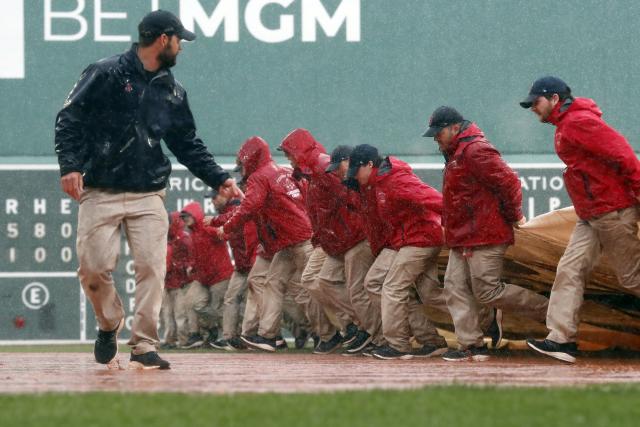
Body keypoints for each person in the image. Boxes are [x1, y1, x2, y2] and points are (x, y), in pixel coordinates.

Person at [54, 10, 238, 369]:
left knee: (153, 269)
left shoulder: (171, 90)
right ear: (162, 38)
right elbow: (69, 118)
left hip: (148, 192)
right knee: (92, 269)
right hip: (100, 189)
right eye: (178, 40)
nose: (181, 47)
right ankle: (109, 324)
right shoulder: (105, 72)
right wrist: (70, 166)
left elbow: (186, 143)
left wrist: (219, 178)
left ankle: (144, 345)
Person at [520, 76, 640, 363]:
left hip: (612, 211)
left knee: (632, 278)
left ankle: (561, 338)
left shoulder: (578, 122)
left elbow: (624, 155)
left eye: (536, 102)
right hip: (592, 214)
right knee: (569, 270)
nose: (533, 108)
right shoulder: (566, 124)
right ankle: (561, 340)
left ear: (554, 99)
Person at [423, 106, 549, 362]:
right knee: (453, 287)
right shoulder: (456, 152)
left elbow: (509, 182)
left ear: (454, 128)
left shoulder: (475, 150)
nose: (435, 137)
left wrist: (514, 216)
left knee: (487, 292)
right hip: (464, 236)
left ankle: (554, 312)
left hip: (485, 234)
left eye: (438, 132)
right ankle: (471, 344)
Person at [346, 144, 449, 360]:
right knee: (384, 285)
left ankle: (399, 344)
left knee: (393, 288)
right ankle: (430, 340)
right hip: (406, 240)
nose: (354, 176)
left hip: (420, 239)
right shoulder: (376, 183)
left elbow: (433, 199)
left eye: (356, 170)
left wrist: (463, 219)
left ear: (369, 165)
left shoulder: (394, 179)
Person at [279, 130, 373, 354]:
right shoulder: (312, 169)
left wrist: (352, 229)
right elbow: (324, 208)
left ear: (299, 150)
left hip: (348, 236)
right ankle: (349, 328)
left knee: (334, 283)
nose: (287, 158)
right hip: (332, 238)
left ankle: (360, 328)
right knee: (316, 281)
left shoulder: (321, 166)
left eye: (288, 153)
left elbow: (351, 198)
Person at [218, 136, 315, 352]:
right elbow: (303, 196)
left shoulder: (259, 177)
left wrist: (226, 228)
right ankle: (270, 336)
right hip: (292, 240)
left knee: (314, 287)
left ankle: (334, 332)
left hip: (297, 240)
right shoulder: (281, 171)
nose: (241, 170)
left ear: (250, 159)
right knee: (273, 283)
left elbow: (248, 208)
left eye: (241, 164)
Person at [208, 188, 258, 350]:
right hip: (242, 264)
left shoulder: (237, 207)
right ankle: (230, 338)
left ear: (225, 195)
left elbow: (235, 221)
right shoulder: (229, 210)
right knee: (231, 298)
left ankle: (262, 336)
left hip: (254, 261)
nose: (213, 201)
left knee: (256, 300)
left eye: (214, 197)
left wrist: (216, 222)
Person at [180, 202, 234, 348]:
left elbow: (226, 234)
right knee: (192, 302)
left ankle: (227, 337)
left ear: (195, 214)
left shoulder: (207, 227)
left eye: (187, 215)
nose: (185, 219)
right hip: (203, 278)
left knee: (219, 308)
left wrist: (223, 230)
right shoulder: (193, 233)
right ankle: (200, 333)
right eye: (183, 217)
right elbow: (200, 254)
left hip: (220, 275)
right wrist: (193, 265)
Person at [160, 212, 194, 349]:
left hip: (180, 283)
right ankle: (170, 340)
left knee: (180, 314)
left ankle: (183, 340)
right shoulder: (165, 238)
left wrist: (181, 268)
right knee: (167, 314)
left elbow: (192, 259)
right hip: (167, 282)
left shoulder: (184, 239)